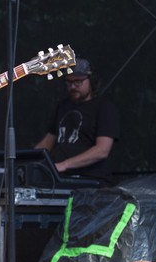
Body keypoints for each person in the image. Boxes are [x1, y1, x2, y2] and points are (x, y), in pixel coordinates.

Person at [34, 56, 119, 187]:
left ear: (91, 81)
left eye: (78, 81)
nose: (72, 86)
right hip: (60, 179)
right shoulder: (63, 106)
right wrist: (28, 162)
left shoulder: (104, 108)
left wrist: (64, 165)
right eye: (69, 82)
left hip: (91, 181)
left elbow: (102, 150)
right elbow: (47, 142)